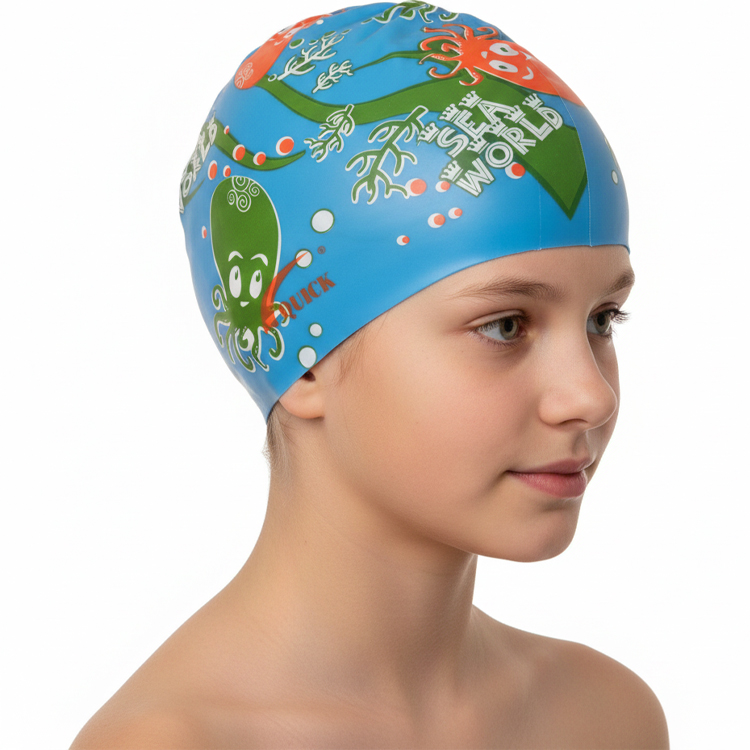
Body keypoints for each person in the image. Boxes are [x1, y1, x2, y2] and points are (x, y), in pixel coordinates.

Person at [71, 2, 669, 747]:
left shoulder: (606, 719)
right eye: (505, 326)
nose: (592, 395)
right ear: (304, 361)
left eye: (603, 320)